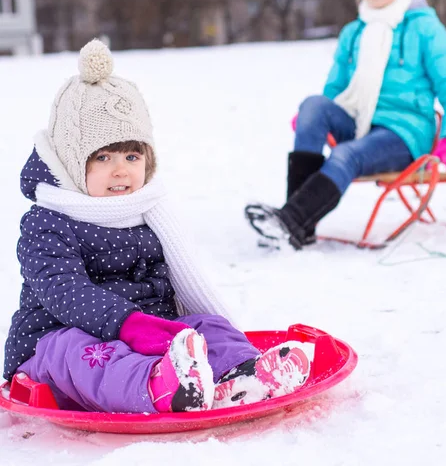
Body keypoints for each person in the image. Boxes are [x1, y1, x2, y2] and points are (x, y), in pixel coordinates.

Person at [3, 39, 314, 414]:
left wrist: (172, 330)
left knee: (205, 325)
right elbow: (63, 291)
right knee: (82, 351)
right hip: (51, 349)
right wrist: (129, 323)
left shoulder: (148, 210)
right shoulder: (47, 221)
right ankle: (159, 388)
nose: (121, 170)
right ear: (71, 162)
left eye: (132, 155)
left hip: (144, 334)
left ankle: (243, 376)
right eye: (102, 157)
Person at [245, 0, 446, 250]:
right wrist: (310, 118)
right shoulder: (354, 32)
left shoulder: (423, 27)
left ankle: (290, 221)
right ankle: (296, 227)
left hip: (404, 134)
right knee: (314, 106)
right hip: (360, 122)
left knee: (346, 154)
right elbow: (334, 91)